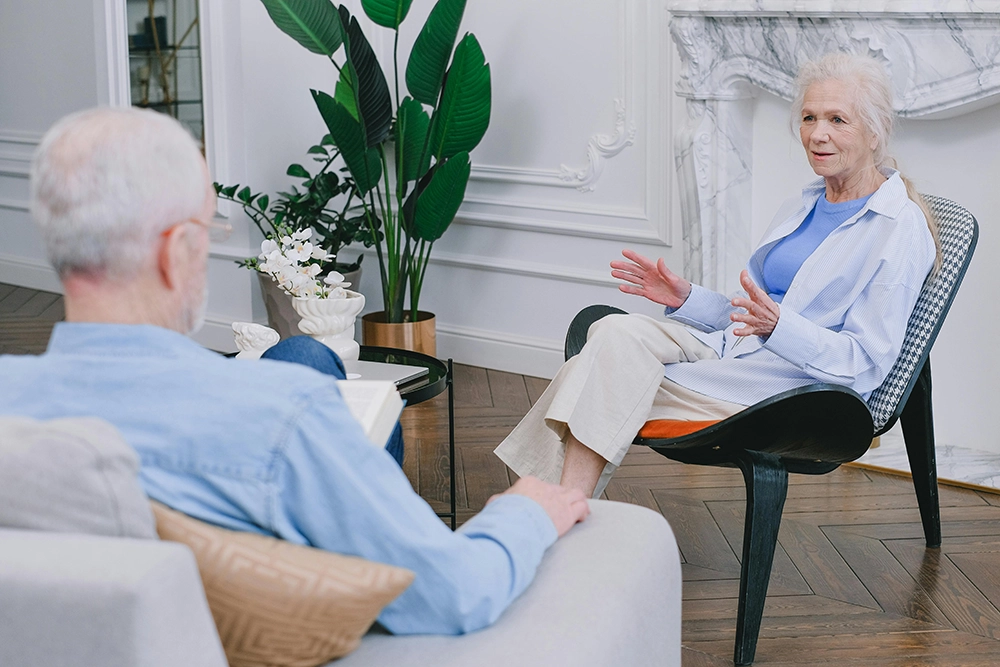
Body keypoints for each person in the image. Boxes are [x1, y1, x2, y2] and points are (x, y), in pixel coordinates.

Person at [0, 106, 590, 635]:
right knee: (314, 371)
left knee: (308, 360)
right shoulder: (278, 416)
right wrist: (523, 513)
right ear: (176, 249)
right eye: (209, 231)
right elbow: (455, 593)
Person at [495, 52, 940, 498]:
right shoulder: (805, 204)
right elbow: (748, 313)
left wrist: (780, 328)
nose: (817, 135)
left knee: (601, 370)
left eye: (837, 120)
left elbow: (864, 363)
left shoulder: (897, 228)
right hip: (733, 351)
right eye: (809, 117)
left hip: (793, 390)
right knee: (610, 331)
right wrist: (686, 297)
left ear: (874, 130)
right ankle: (560, 508)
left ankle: (550, 507)